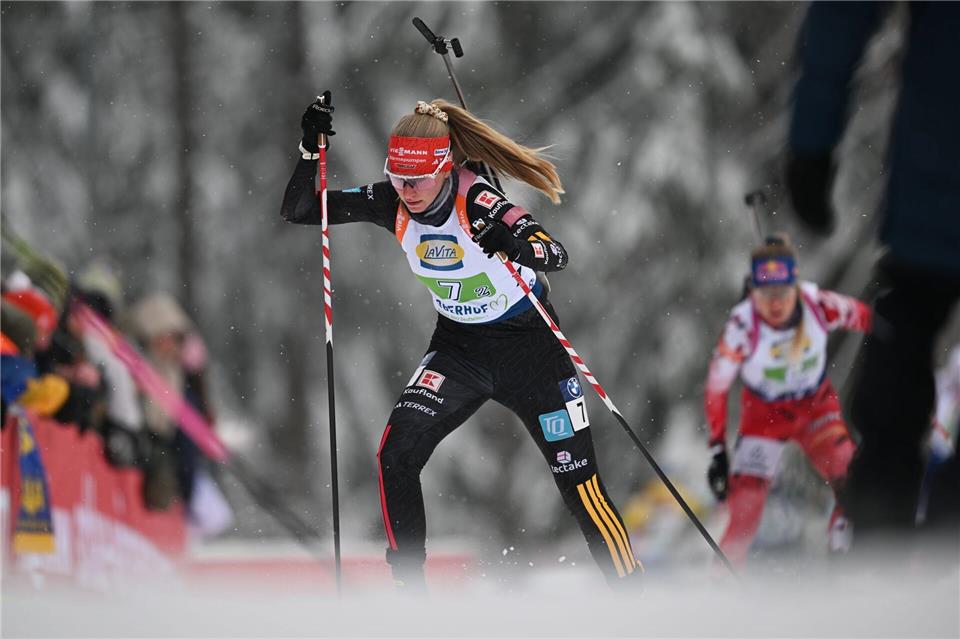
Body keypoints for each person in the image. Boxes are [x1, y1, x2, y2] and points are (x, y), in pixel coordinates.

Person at [281, 96, 640, 589]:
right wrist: (309, 150)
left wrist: (514, 242)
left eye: (417, 179)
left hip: (531, 350)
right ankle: (412, 598)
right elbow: (302, 210)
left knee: (581, 487)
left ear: (445, 167)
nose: (406, 191)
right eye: (398, 178)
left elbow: (554, 253)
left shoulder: (481, 200)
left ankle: (633, 592)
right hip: (460, 350)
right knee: (396, 454)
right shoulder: (391, 199)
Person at [785, 2, 960, 543]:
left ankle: (893, 558)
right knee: (892, 393)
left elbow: (843, 16)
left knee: (891, 398)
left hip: (935, 178)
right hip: (935, 188)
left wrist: (813, 135)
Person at [703, 233, 871, 566]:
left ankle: (845, 559)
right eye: (765, 295)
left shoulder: (818, 305)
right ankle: (722, 582)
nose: (775, 304)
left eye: (782, 293)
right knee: (746, 505)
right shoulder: (742, 323)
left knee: (850, 479)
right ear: (753, 291)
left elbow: (867, 318)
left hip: (815, 407)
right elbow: (716, 387)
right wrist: (718, 449)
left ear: (795, 286)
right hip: (764, 415)